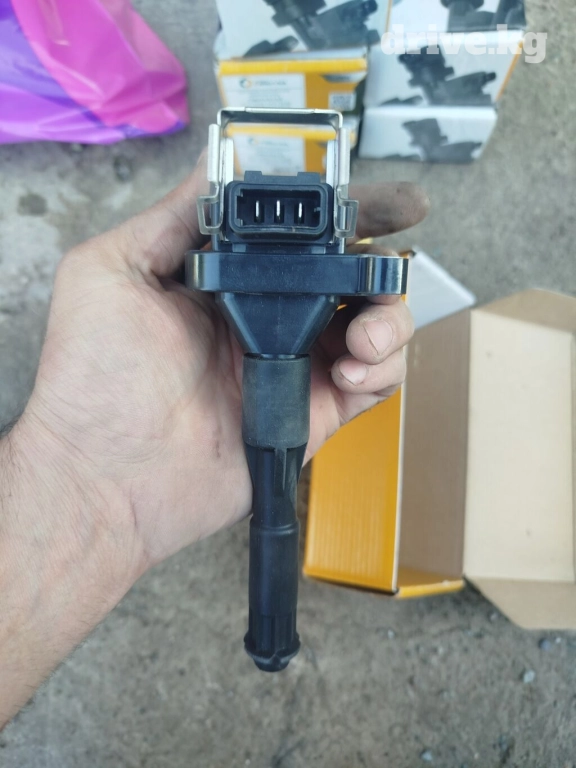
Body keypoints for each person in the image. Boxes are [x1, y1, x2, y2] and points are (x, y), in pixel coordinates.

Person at [0, 150, 429, 727]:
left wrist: (80, 488)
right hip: (260, 316)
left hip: (262, 312)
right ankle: (271, 642)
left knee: (301, 460)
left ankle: (272, 640)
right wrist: (79, 477)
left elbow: (376, 277)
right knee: (281, 493)